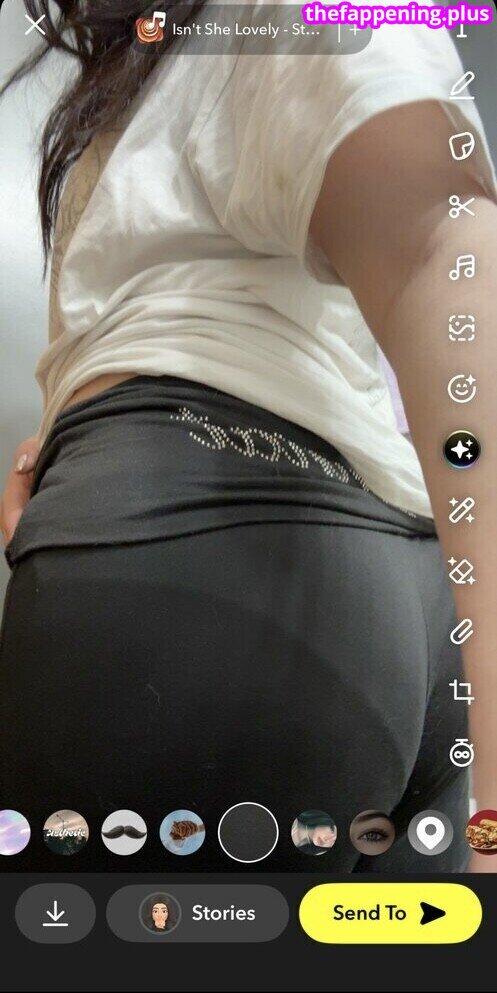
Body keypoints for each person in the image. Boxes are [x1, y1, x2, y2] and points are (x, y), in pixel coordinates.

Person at [1, 1, 496, 873]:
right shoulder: (167, 68)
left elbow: (444, 253)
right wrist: (71, 452)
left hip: (218, 565)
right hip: (366, 587)